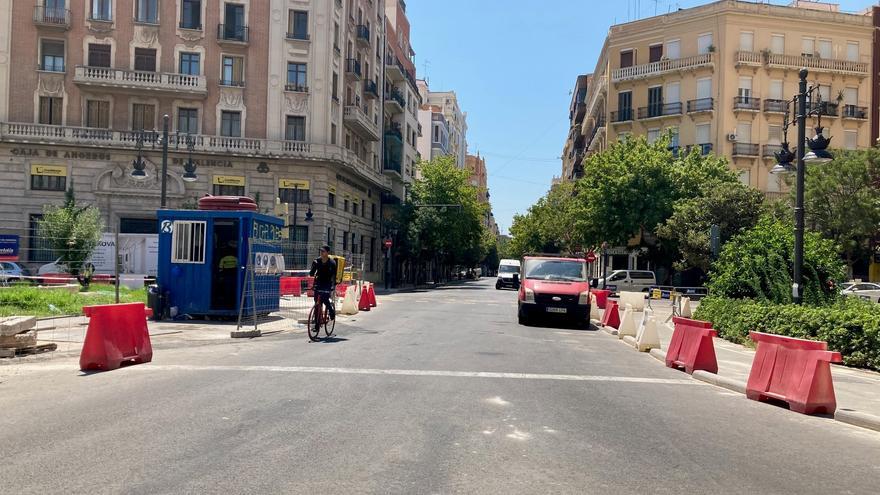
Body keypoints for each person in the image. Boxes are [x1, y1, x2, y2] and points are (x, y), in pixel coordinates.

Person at [310, 245, 337, 320]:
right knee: (317, 303)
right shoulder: (317, 261)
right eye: (320, 251)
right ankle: (317, 324)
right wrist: (314, 266)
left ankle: (331, 311)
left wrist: (333, 286)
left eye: (323, 251)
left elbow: (334, 275)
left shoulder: (332, 263)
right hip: (318, 282)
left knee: (325, 299)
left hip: (327, 283)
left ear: (327, 252)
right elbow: (311, 274)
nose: (321, 253)